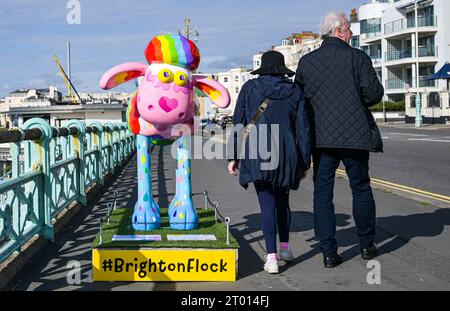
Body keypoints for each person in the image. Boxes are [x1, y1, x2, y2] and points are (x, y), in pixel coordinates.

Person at [295, 11, 384, 268]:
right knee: (361, 188)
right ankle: (367, 245)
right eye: (348, 30)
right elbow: (374, 95)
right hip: (355, 135)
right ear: (339, 31)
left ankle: (328, 252)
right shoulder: (358, 58)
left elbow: (300, 100)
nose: (351, 34)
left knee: (323, 193)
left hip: (321, 139)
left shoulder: (307, 62)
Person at [227, 50, 311, 274]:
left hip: (259, 148)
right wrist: (304, 161)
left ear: (262, 68)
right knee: (283, 202)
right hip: (286, 152)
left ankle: (271, 258)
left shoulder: (250, 88)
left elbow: (238, 122)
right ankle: (284, 248)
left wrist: (233, 156)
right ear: (282, 69)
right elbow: (303, 128)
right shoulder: (294, 91)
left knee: (267, 204)